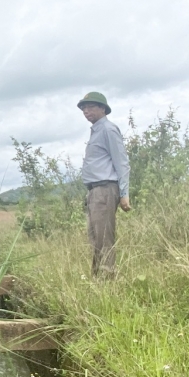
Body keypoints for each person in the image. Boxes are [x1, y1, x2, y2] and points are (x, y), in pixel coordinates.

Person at [78, 92, 131, 278]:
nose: (86, 111)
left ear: (102, 108)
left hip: (105, 189)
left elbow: (121, 162)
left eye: (91, 106)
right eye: (84, 108)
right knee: (95, 238)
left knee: (104, 237)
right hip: (94, 191)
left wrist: (124, 194)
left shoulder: (108, 129)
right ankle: (97, 280)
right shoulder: (96, 131)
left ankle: (108, 281)